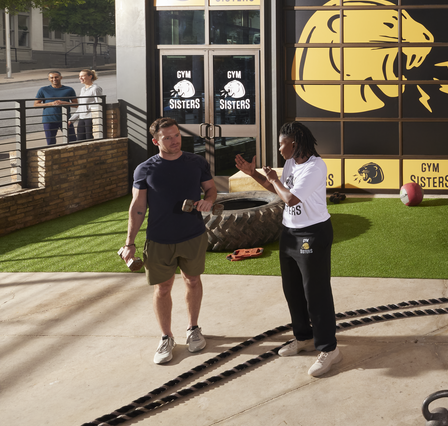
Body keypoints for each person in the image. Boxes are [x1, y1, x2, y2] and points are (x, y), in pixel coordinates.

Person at [234, 122, 340, 378]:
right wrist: (253, 174)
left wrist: (273, 178)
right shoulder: (292, 163)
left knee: (315, 292)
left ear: (296, 142)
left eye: (283, 143)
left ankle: (329, 348)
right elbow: (279, 191)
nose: (280, 148)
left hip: (312, 234)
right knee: (292, 290)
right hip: (290, 232)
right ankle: (304, 337)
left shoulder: (316, 166)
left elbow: (291, 198)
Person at [121, 117, 217, 364]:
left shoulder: (196, 162)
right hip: (160, 238)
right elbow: (138, 206)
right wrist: (130, 242)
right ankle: (166, 337)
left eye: (177, 135)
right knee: (162, 288)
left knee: (193, 280)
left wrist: (209, 199)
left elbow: (211, 189)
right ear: (156, 141)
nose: (174, 140)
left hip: (192, 235)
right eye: (167, 137)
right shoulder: (145, 169)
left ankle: (193, 328)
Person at [33, 71, 77, 145]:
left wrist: (63, 103)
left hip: (65, 119)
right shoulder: (43, 89)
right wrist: (50, 104)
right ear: (48, 79)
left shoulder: (69, 89)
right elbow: (36, 104)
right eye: (52, 77)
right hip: (49, 120)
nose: (54, 79)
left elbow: (76, 104)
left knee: (72, 141)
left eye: (56, 77)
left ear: (61, 77)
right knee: (50, 143)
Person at [68, 69, 103, 141]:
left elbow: (99, 104)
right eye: (79, 76)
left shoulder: (95, 88)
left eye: (83, 76)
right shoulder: (83, 89)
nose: (80, 78)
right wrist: (71, 120)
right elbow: (81, 106)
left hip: (90, 118)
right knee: (80, 139)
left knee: (89, 139)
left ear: (90, 76)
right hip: (82, 118)